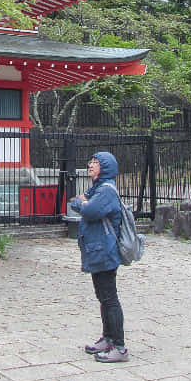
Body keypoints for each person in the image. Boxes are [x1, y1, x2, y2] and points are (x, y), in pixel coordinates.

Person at [69, 151, 129, 363]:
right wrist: (82, 203)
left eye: (96, 163)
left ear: (106, 167)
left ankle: (119, 346)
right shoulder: (96, 189)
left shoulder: (106, 192)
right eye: (90, 161)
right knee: (103, 297)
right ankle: (108, 338)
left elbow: (90, 210)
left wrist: (83, 204)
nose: (90, 165)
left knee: (109, 298)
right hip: (96, 251)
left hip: (105, 251)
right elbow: (76, 201)